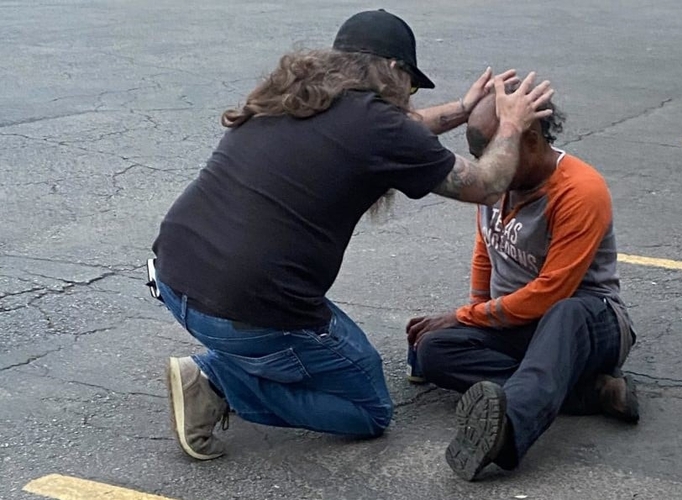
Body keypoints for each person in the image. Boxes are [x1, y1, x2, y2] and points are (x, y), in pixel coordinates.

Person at [151, 9, 555, 461]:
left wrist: (462, 111)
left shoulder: (295, 96)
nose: (409, 98)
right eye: (412, 87)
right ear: (395, 71)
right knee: (366, 408)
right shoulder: (379, 125)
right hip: (243, 309)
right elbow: (486, 183)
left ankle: (241, 363)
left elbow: (403, 131)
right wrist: (513, 127)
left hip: (174, 278)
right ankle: (216, 381)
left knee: (321, 359)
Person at [405, 91, 639, 481]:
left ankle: (509, 430)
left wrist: (467, 315)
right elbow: (485, 251)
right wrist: (473, 316)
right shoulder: (495, 182)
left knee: (565, 312)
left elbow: (552, 291)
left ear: (530, 140)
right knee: (434, 350)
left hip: (588, 321)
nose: (484, 168)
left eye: (493, 154)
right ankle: (590, 393)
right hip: (519, 321)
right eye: (479, 156)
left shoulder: (580, 190)